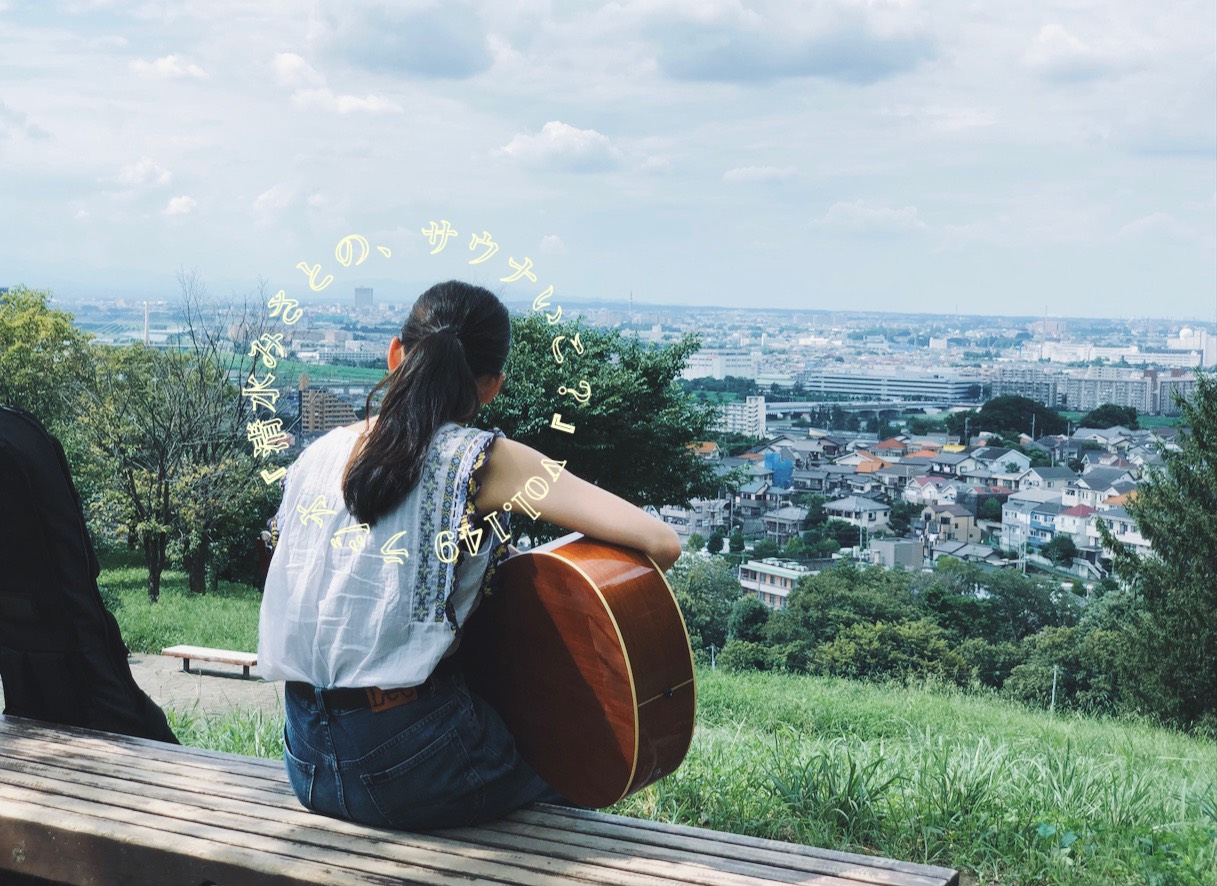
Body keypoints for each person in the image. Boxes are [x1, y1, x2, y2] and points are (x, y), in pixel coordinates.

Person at [257, 280, 683, 831]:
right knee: (579, 763)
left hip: (305, 756)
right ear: (493, 386)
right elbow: (661, 543)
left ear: (395, 354)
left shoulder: (319, 452)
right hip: (409, 764)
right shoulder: (482, 458)